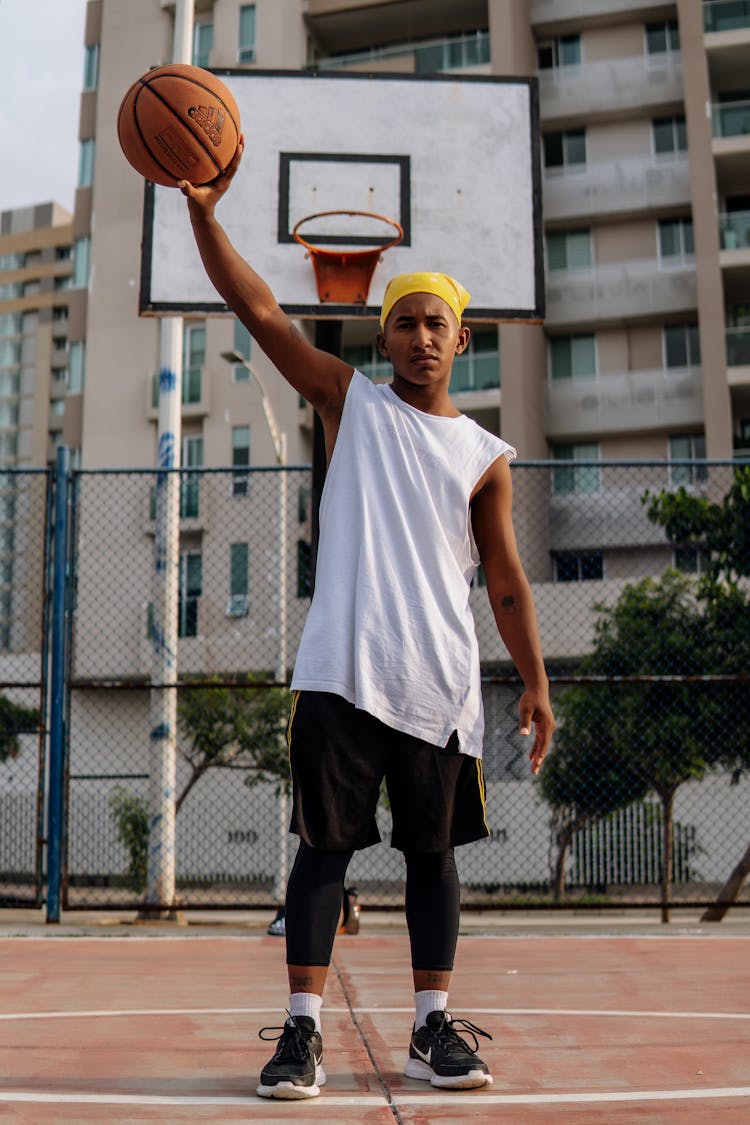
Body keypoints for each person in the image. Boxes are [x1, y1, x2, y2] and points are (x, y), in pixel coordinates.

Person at [179, 138, 555, 1101]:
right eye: (406, 324)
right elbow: (259, 311)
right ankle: (301, 1035)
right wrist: (205, 216)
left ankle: (432, 1029)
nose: (423, 337)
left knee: (433, 860)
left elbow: (506, 582)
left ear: (462, 339)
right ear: (383, 338)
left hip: (440, 683)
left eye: (438, 324)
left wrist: (538, 683)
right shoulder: (351, 404)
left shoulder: (485, 452)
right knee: (323, 852)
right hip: (342, 670)